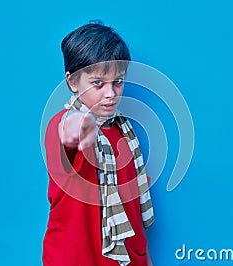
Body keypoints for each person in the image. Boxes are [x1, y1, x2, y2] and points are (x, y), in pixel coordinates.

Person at [42, 20, 154, 266]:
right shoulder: (61, 124)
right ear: (73, 82)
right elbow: (68, 134)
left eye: (118, 81)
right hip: (73, 259)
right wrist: (79, 129)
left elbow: (132, 210)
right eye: (97, 83)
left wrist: (144, 258)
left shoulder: (124, 131)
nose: (111, 93)